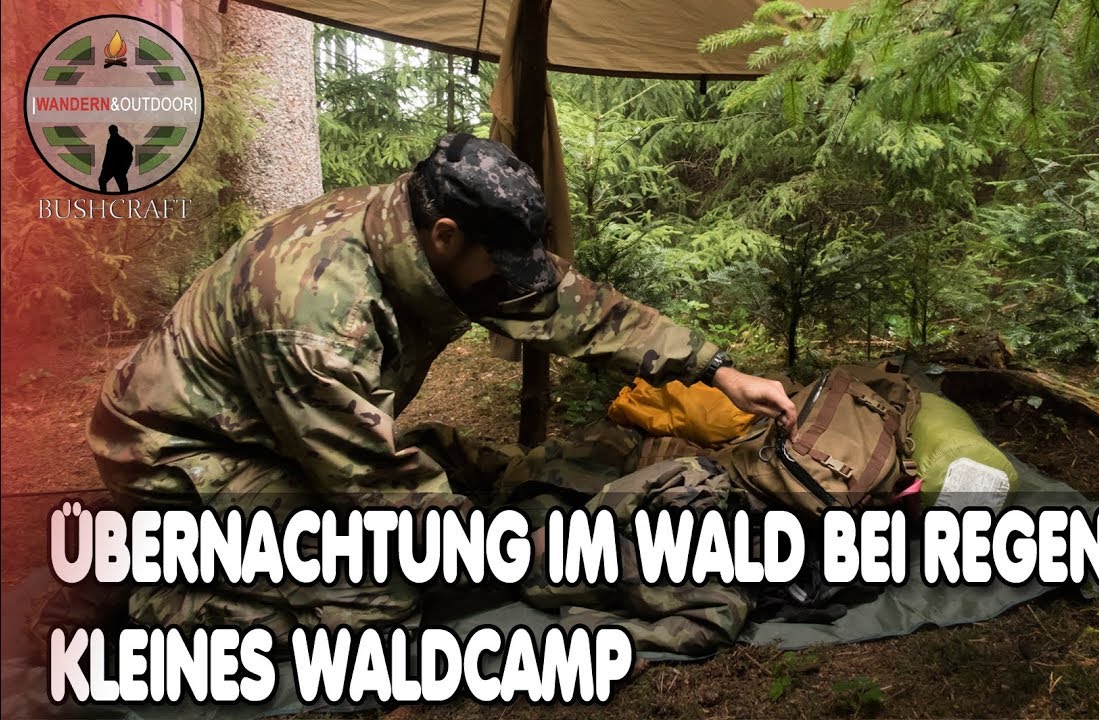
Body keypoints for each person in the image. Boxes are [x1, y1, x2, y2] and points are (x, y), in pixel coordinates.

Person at [85, 133, 797, 640]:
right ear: (447, 237)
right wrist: (543, 558)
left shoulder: (423, 234)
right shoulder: (315, 318)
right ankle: (160, 591)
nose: (508, 288)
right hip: (176, 456)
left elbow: (579, 309)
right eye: (499, 268)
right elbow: (378, 488)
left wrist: (718, 369)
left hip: (280, 426)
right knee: (381, 598)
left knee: (453, 474)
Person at [98, 124, 132, 193]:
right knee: (122, 187)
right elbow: (108, 155)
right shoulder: (116, 140)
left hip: (115, 168)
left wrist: (125, 167)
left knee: (123, 187)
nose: (111, 132)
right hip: (113, 168)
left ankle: (105, 196)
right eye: (110, 130)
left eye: (112, 130)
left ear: (116, 130)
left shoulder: (118, 140)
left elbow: (130, 150)